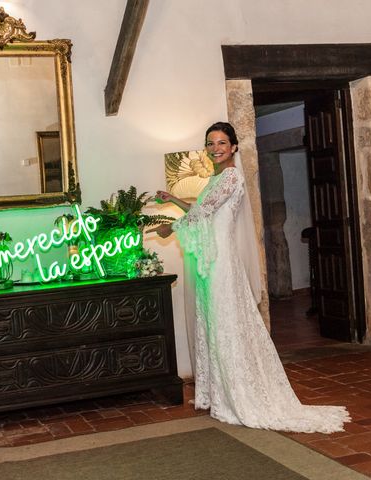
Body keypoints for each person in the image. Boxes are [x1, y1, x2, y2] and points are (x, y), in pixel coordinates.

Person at [149, 122, 350, 433]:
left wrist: (170, 227)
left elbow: (203, 214)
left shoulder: (231, 176)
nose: (215, 148)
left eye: (221, 143)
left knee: (226, 324)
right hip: (210, 263)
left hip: (222, 264)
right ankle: (223, 394)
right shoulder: (216, 178)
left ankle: (241, 397)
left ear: (234, 147)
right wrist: (172, 200)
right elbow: (201, 208)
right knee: (216, 325)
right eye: (211, 143)